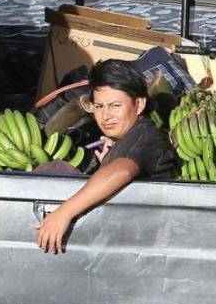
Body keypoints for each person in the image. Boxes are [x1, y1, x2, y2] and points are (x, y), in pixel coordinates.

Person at [35, 59, 177, 253]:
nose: (106, 115)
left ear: (140, 104)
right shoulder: (129, 137)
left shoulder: (146, 136)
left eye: (115, 105)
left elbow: (122, 171)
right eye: (99, 107)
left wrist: (63, 213)